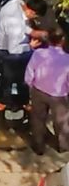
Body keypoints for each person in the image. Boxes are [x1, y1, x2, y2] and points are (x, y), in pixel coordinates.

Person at [0, 0, 49, 111]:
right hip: (6, 52)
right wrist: (30, 46)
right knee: (19, 77)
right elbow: (14, 50)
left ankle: (5, 101)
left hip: (0, 40)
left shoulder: (16, 3)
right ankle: (17, 101)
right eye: (36, 16)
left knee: (7, 77)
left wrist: (32, 32)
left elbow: (22, 25)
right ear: (32, 12)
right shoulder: (16, 26)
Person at [25, 25, 69, 154]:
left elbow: (29, 73)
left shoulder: (39, 54)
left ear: (48, 39)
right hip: (58, 95)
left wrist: (30, 86)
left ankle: (39, 146)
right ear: (63, 40)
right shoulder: (67, 60)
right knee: (61, 122)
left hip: (38, 90)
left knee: (38, 118)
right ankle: (63, 146)